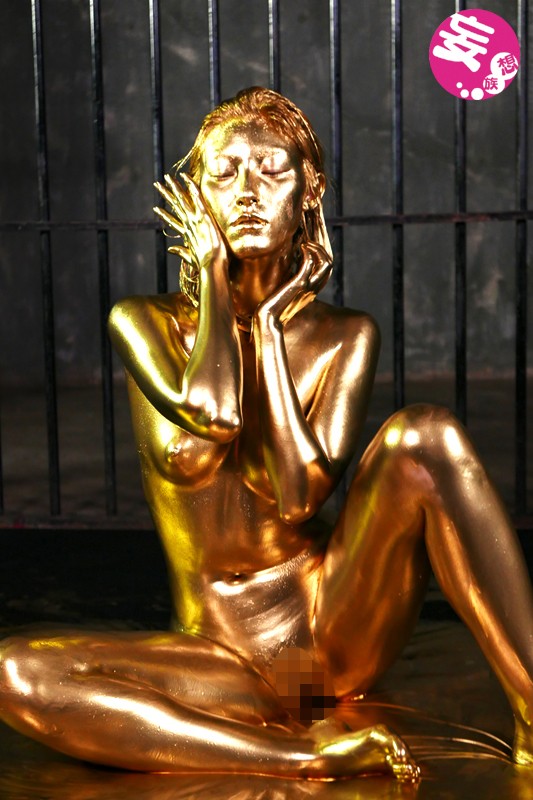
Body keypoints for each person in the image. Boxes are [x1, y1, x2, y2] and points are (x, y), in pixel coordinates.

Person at [0, 87, 532, 782]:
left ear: (310, 192)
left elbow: (297, 496)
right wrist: (216, 279)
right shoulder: (145, 322)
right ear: (195, 199)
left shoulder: (344, 335)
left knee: (423, 435)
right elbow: (214, 416)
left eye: (272, 170)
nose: (247, 192)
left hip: (329, 639)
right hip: (222, 662)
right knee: (15, 671)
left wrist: (273, 329)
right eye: (224, 174)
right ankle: (302, 755)